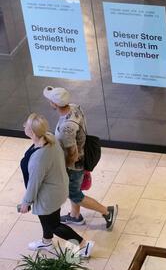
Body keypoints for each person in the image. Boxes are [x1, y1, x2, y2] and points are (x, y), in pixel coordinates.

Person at [19, 113, 94, 257]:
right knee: (47, 219)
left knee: (54, 225)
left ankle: (84, 245)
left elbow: (34, 183)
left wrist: (26, 202)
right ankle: (46, 241)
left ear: (32, 132)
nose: (24, 126)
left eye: (26, 125)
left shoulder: (39, 158)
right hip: (56, 188)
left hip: (48, 195)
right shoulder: (49, 137)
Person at [43, 86, 118, 230]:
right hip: (82, 154)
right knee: (73, 189)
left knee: (74, 194)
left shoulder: (67, 128)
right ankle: (75, 216)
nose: (48, 101)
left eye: (50, 100)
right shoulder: (75, 108)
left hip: (74, 165)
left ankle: (107, 212)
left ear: (55, 104)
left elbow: (73, 154)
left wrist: (64, 168)